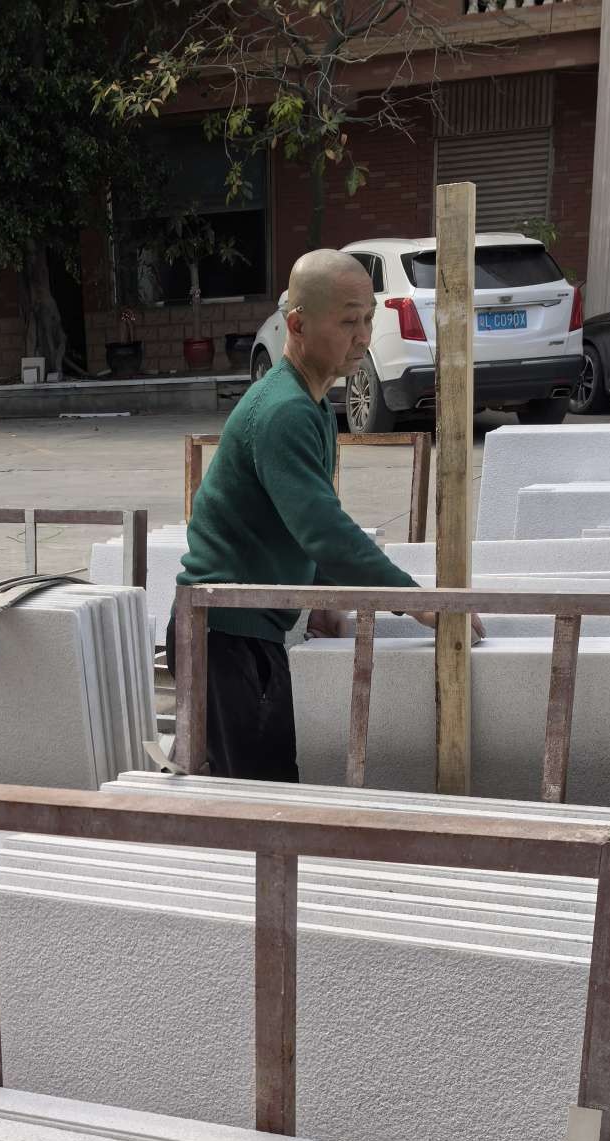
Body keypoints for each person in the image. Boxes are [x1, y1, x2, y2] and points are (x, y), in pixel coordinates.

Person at [169, 246, 425, 782]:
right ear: (298, 325)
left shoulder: (313, 405)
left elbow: (304, 519)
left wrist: (321, 597)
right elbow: (325, 532)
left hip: (238, 634)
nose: (363, 336)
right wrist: (422, 603)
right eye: (348, 321)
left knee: (260, 792)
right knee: (258, 804)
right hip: (225, 638)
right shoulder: (284, 410)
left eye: (369, 319)